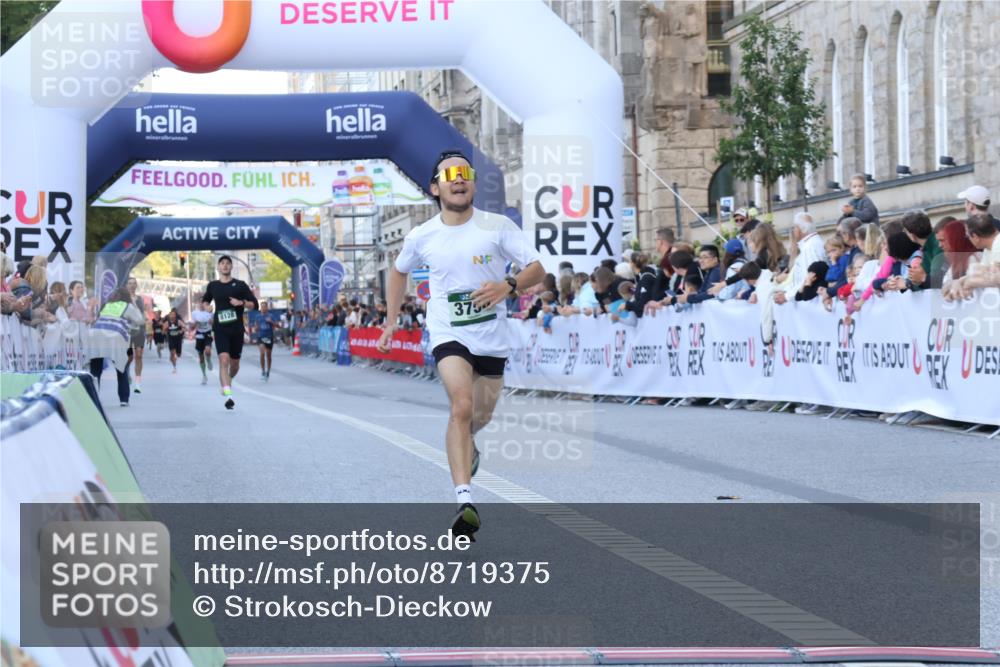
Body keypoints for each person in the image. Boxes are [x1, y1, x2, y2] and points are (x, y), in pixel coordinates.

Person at [377, 149, 544, 540]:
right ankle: (465, 501)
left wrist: (508, 285)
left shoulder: (497, 226)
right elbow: (398, 273)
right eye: (449, 175)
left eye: (464, 174)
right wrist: (390, 323)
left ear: (472, 183)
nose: (458, 180)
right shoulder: (422, 235)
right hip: (448, 331)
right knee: (461, 406)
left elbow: (537, 268)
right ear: (435, 188)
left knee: (479, 417)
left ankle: (467, 444)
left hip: (491, 336)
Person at [202, 255, 259, 409]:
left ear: (231, 267)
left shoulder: (240, 285)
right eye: (222, 263)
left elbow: (255, 304)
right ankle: (228, 395)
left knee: (234, 365)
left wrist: (241, 302)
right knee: (224, 360)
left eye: (228, 263)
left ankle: (228, 379)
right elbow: (205, 300)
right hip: (220, 329)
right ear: (218, 267)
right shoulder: (213, 285)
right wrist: (207, 307)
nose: (225, 266)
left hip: (236, 329)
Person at [87, 287, 145, 407]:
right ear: (127, 297)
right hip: (115, 336)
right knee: (121, 368)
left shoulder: (107, 305)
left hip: (96, 335)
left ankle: (93, 397)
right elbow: (140, 321)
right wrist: (134, 304)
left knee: (95, 369)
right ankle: (124, 399)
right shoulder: (127, 306)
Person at [944, 213, 1000, 299]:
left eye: (968, 236)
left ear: (975, 237)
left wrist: (969, 283)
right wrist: (958, 282)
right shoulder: (988, 249)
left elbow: (996, 277)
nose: (968, 239)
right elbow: (982, 273)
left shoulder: (998, 243)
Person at [900, 210, 945, 290]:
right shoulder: (927, 247)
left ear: (912, 235)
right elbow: (920, 278)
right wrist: (910, 282)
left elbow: (936, 280)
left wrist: (909, 283)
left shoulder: (937, 245)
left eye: (905, 231)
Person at [125, 277, 147, 393]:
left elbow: (142, 313)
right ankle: (126, 371)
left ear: (136, 286)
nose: (132, 285)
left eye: (134, 283)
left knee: (139, 355)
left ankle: (138, 383)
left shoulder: (140, 299)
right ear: (127, 286)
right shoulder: (123, 299)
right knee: (129, 357)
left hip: (139, 330)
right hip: (127, 331)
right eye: (130, 283)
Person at [249, 300, 278, 381]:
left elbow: (277, 325)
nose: (263, 308)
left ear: (267, 308)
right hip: (261, 337)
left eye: (264, 307)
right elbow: (255, 327)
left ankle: (268, 371)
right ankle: (263, 370)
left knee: (268, 355)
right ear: (260, 308)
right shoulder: (257, 316)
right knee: (262, 353)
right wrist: (256, 328)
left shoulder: (271, 316)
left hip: (269, 337)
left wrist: (271, 322)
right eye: (262, 307)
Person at [191, 299, 215, 385]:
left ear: (207, 304)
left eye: (204, 303)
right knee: (201, 357)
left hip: (207, 333)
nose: (202, 304)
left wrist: (211, 322)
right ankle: (204, 375)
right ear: (198, 304)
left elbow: (214, 324)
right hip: (199, 335)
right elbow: (192, 327)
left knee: (208, 351)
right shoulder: (195, 313)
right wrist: (195, 323)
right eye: (200, 303)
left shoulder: (210, 313)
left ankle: (208, 360)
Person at [163, 308, 185, 373]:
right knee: (173, 352)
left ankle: (173, 357)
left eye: (173, 315)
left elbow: (184, 327)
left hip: (178, 339)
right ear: (169, 316)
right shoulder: (167, 323)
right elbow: (163, 330)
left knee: (178, 355)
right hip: (171, 339)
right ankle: (174, 367)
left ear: (175, 315)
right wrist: (165, 332)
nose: (172, 316)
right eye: (171, 315)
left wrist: (181, 331)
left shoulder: (178, 321)